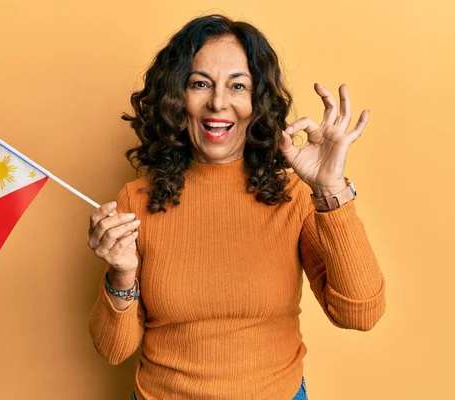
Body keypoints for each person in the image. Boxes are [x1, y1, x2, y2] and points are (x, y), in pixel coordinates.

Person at [86, 14, 386, 400]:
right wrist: (121, 276)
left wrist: (331, 191)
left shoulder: (294, 195)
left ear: (257, 102)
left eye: (238, 86)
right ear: (176, 98)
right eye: (200, 84)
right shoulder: (137, 200)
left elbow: (360, 313)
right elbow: (113, 350)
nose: (218, 102)